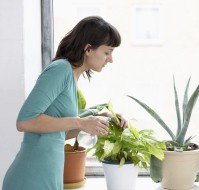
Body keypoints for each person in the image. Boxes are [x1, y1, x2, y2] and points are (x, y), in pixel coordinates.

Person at [2, 16, 128, 190]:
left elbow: (58, 133)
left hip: (48, 175)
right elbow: (24, 121)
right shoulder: (61, 69)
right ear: (88, 49)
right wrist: (80, 121)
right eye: (107, 52)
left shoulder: (71, 77)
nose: (111, 59)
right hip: (30, 177)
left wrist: (100, 121)